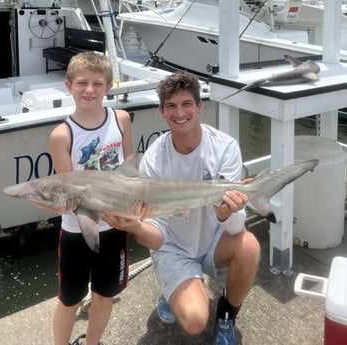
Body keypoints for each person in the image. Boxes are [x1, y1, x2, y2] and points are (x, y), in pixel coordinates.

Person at [103, 71, 261, 345]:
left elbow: (235, 227)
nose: (180, 112)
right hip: (174, 246)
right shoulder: (154, 159)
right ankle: (172, 287)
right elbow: (157, 235)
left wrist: (227, 213)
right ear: (162, 111)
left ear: (200, 106)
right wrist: (136, 227)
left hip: (214, 240)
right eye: (171, 106)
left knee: (249, 247)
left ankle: (226, 316)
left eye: (187, 103)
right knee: (195, 320)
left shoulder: (224, 148)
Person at [49, 51, 133, 345]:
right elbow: (70, 193)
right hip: (76, 231)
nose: (89, 90)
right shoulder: (62, 135)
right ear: (68, 85)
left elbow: (129, 170)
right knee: (70, 300)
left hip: (114, 229)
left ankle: (91, 342)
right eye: (82, 82)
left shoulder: (121, 119)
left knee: (104, 296)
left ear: (109, 87)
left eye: (98, 83)